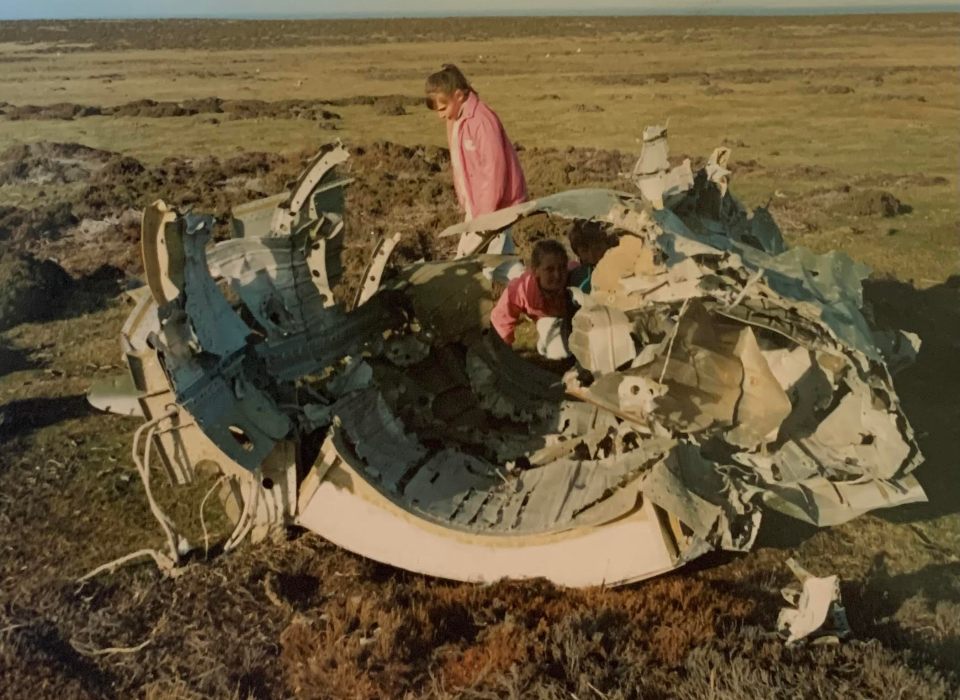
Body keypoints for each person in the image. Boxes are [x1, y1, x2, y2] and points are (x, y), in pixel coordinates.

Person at [424, 64, 527, 258]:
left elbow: (494, 170)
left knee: (474, 262)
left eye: (443, 108)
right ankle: (522, 286)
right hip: (479, 207)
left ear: (459, 96)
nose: (440, 115)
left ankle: (527, 285)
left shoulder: (481, 121)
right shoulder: (458, 120)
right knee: (500, 264)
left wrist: (485, 218)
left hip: (495, 210)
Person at [490, 239, 570, 359]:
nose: (557, 275)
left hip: (573, 317)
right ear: (535, 270)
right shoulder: (521, 290)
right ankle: (544, 344)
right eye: (549, 269)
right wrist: (503, 353)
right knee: (561, 354)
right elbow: (501, 320)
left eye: (562, 268)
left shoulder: (575, 278)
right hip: (547, 318)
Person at [567, 220, 614, 293]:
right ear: (577, 253)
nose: (592, 257)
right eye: (584, 251)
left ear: (608, 245)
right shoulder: (574, 277)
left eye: (598, 248)